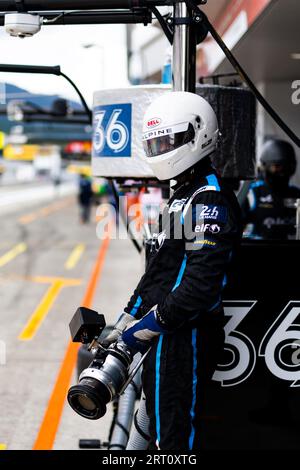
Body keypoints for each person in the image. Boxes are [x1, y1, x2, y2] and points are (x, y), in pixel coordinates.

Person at [104, 92, 242, 450]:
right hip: (166, 336)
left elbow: (199, 288)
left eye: (167, 140)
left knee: (175, 439)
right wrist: (124, 321)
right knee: (153, 429)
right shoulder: (180, 196)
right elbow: (158, 271)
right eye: (155, 143)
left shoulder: (209, 198)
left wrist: (143, 330)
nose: (161, 149)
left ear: (197, 134)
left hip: (187, 338)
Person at [242, 139, 300, 239]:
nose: (282, 172)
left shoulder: (297, 194)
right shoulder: (253, 193)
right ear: (265, 166)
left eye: (287, 167)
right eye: (277, 167)